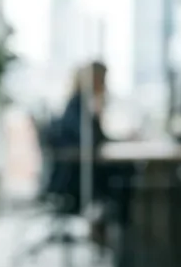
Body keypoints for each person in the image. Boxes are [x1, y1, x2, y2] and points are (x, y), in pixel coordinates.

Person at [43, 62, 130, 243]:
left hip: (80, 170)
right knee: (127, 177)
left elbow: (100, 139)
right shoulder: (77, 106)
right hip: (74, 178)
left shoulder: (82, 104)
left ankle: (112, 234)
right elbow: (90, 141)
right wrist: (99, 110)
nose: (105, 86)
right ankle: (122, 239)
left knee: (127, 171)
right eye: (103, 80)